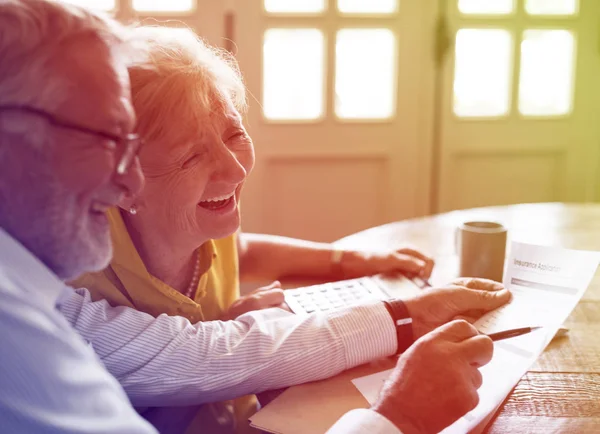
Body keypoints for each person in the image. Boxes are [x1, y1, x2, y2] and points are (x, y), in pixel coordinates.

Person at [0, 1, 508, 433]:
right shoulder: (26, 320)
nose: (125, 180)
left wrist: (346, 272)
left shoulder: (33, 290)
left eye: (235, 134)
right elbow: (196, 356)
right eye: (105, 138)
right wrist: (399, 417)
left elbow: (202, 350)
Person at [70, 26, 438, 432]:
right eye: (192, 156)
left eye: (234, 134)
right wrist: (233, 334)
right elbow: (157, 391)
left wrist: (348, 261)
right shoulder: (81, 276)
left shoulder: (203, 221)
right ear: (121, 182)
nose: (235, 167)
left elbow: (243, 251)